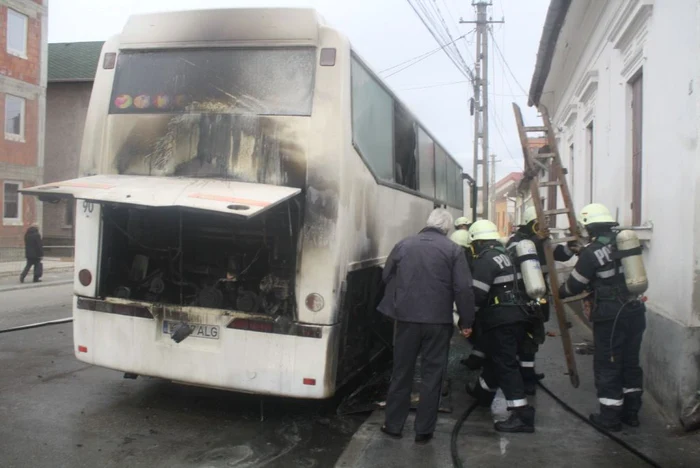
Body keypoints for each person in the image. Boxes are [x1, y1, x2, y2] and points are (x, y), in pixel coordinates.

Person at [378, 208, 475, 444]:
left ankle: (393, 426)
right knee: (433, 375)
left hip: (407, 320)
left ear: (427, 223)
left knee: (402, 372)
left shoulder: (404, 245)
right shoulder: (453, 250)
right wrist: (466, 321)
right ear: (447, 228)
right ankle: (423, 431)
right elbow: (463, 288)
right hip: (438, 322)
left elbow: (386, 275)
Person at [559, 203, 646, 432]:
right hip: (634, 310)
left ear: (590, 227)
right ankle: (632, 413)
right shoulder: (625, 241)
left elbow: (574, 285)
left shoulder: (591, 252)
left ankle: (609, 417)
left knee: (608, 363)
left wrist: (558, 291)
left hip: (610, 315)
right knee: (630, 362)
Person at [467, 219, 535, 433]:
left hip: (501, 319)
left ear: (477, 242)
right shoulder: (506, 255)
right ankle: (483, 393)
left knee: (506, 364)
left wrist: (465, 319)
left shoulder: (485, 260)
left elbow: (477, 295)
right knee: (496, 356)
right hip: (517, 315)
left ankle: (521, 415)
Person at [506, 206, 577, 394]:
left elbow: (560, 254)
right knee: (523, 335)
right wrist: (535, 240)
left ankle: (528, 372)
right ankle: (524, 376)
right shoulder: (516, 241)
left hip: (538, 294)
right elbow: (512, 256)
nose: (541, 228)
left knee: (534, 334)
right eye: (538, 224)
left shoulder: (545, 241)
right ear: (531, 224)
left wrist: (571, 247)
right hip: (520, 297)